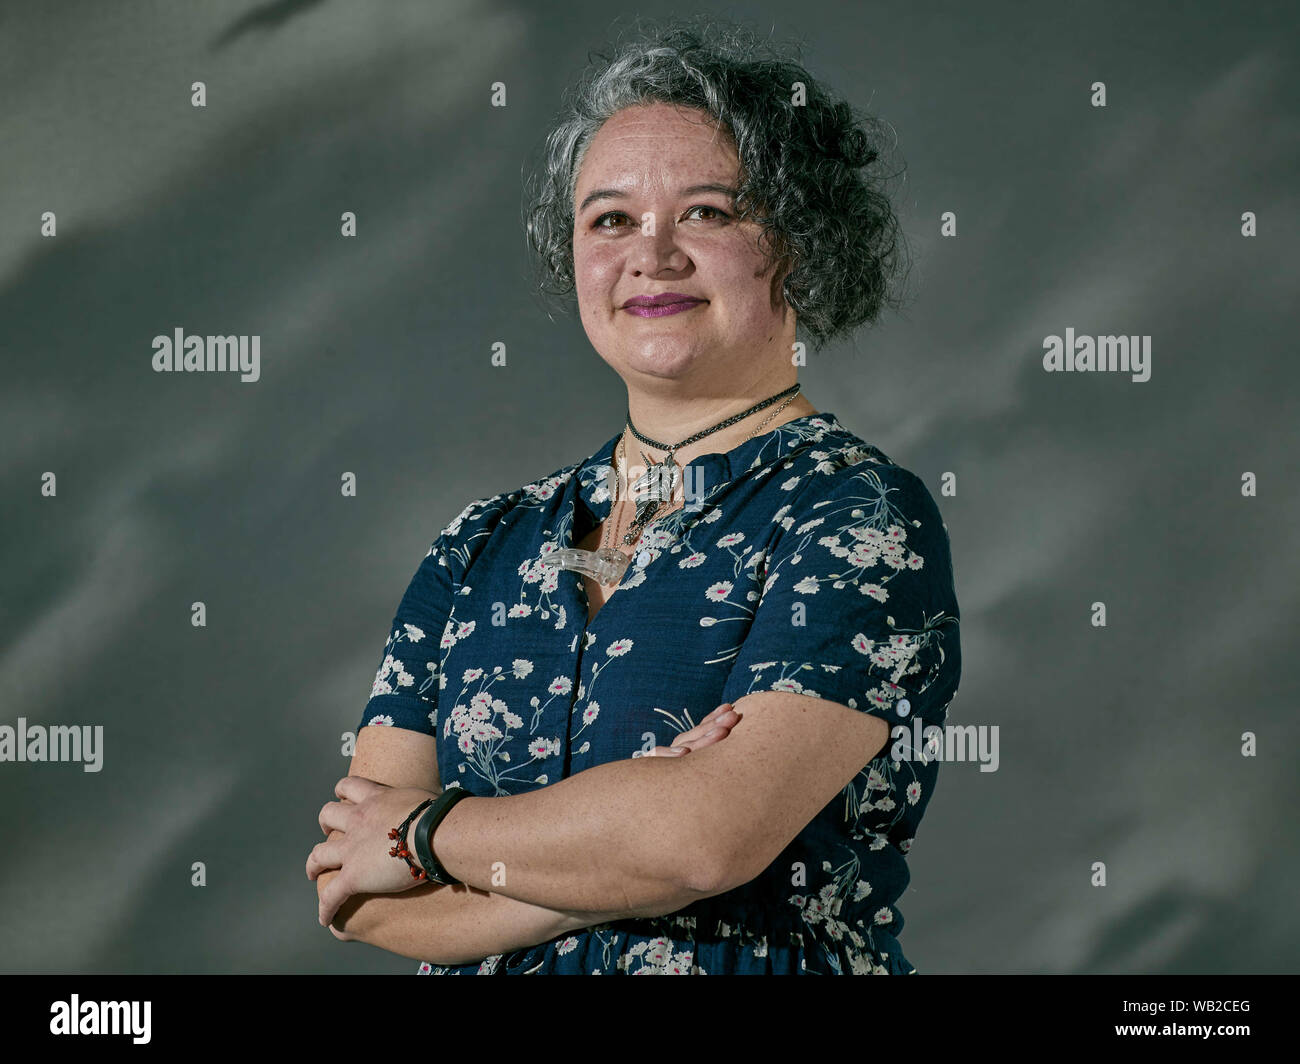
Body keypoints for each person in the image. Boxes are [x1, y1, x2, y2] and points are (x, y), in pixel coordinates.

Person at [306, 16, 961, 975]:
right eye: (610, 218)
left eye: (708, 211)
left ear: (800, 241)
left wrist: (426, 833)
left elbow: (702, 843)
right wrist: (614, 858)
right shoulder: (477, 545)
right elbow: (353, 891)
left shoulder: (858, 516)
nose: (651, 254)